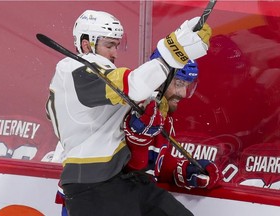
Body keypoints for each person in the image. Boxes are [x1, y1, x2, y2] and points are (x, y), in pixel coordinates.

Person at [46, 9, 212, 216]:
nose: (115, 53)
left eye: (116, 45)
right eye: (109, 45)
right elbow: (133, 85)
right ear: (86, 44)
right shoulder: (73, 70)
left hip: (124, 180)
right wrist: (176, 48)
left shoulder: (94, 85)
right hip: (94, 186)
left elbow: (136, 100)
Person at [123, 49, 221, 191]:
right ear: (159, 79)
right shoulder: (128, 108)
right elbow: (125, 173)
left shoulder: (163, 115)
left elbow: (155, 165)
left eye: (188, 85)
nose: (183, 93)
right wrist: (138, 140)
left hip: (139, 195)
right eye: (179, 84)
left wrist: (184, 170)